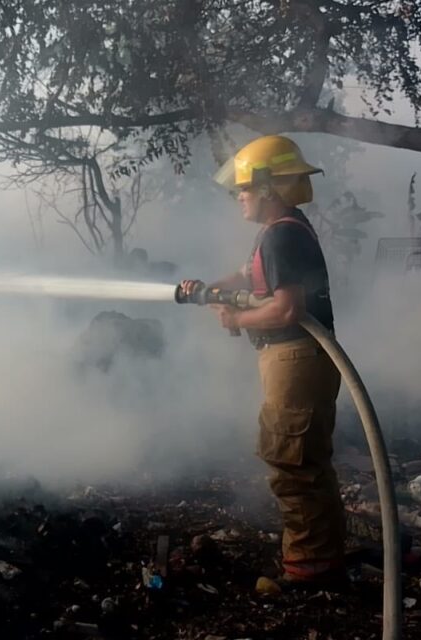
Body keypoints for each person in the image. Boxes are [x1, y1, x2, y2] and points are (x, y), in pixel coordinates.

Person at [179, 135, 346, 587]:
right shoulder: (279, 232)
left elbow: (288, 308)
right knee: (307, 459)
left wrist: (238, 316)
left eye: (246, 189)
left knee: (291, 459)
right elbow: (248, 273)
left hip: (294, 357)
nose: (240, 197)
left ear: (270, 188)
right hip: (298, 358)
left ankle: (308, 569)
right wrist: (206, 291)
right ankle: (323, 557)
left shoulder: (283, 236)